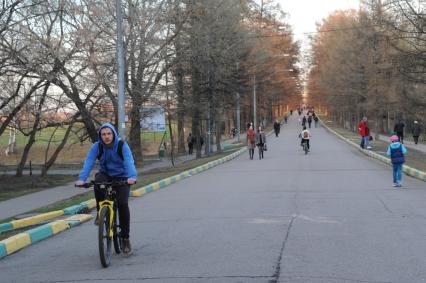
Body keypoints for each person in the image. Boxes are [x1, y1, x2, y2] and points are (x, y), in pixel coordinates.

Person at [76, 123, 137, 254]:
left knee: (122, 204)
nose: (106, 137)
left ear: (113, 134)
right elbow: (89, 162)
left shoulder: (122, 146)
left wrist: (131, 177)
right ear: (100, 136)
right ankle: (100, 212)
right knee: (98, 183)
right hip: (106, 175)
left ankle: (125, 239)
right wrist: (82, 179)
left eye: (109, 133)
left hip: (122, 177)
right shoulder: (97, 147)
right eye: (103, 134)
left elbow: (129, 161)